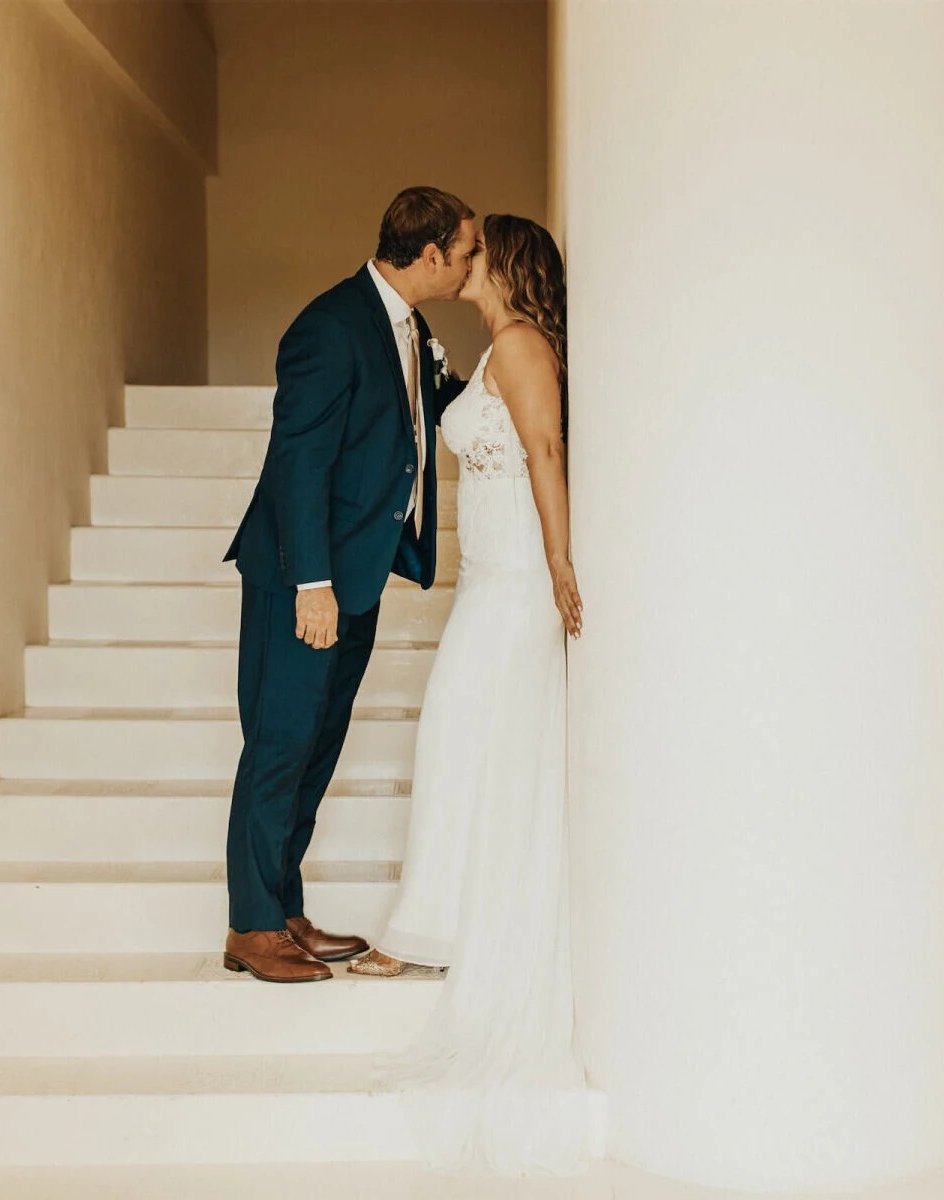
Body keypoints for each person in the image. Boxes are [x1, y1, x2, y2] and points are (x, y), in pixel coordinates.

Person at [347, 215, 590, 1174]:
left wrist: (562, 562)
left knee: (455, 739)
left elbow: (545, 454)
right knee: (463, 746)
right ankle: (437, 922)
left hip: (518, 587)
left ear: (506, 264)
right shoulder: (491, 347)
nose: (464, 256)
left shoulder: (524, 345)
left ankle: (431, 932)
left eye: (477, 247)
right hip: (486, 584)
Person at [220, 187, 477, 984]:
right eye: (466, 252)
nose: (472, 266)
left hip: (359, 576)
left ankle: (283, 906)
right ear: (429, 254)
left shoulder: (409, 327)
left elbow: (434, 407)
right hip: (307, 580)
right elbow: (298, 461)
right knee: (280, 743)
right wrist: (314, 585)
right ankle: (250, 927)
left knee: (318, 744)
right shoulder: (330, 327)